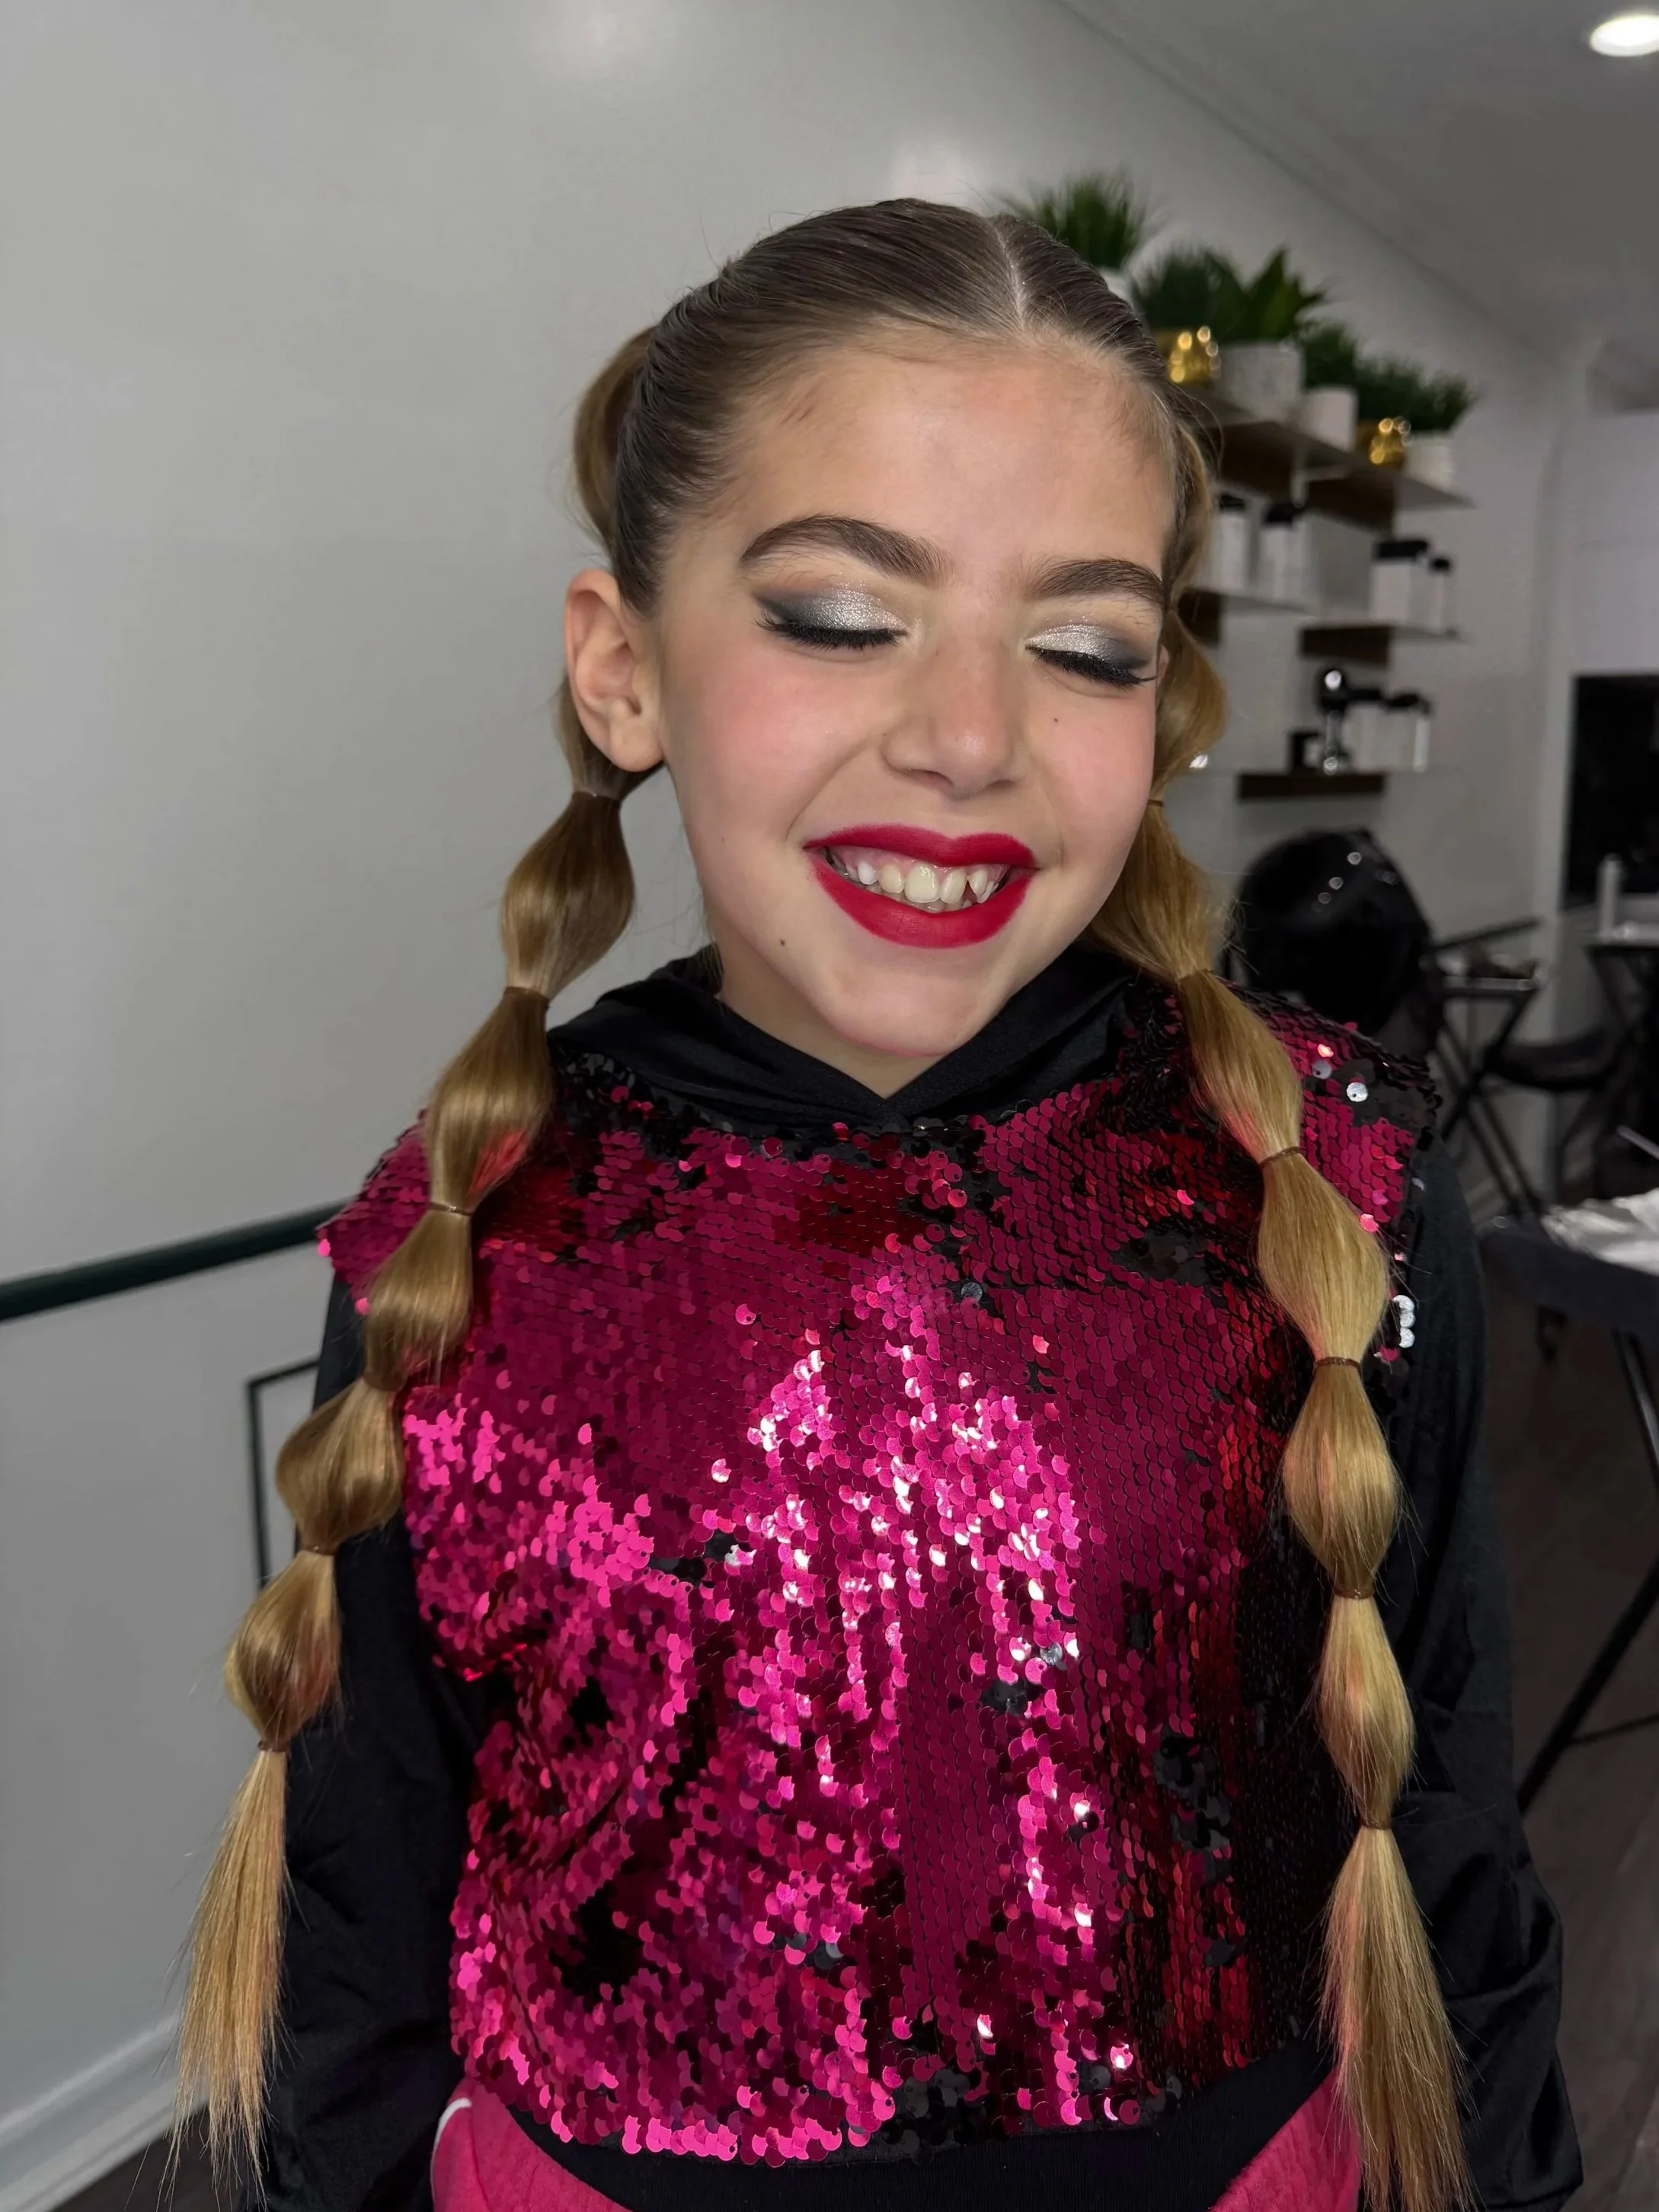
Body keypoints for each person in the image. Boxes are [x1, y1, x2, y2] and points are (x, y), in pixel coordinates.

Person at [178, 202, 1578, 2212]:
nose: (969, 739)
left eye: (1085, 648)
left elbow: (1445, 1834)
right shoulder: (467, 1230)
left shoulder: (1324, 1187)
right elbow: (357, 1905)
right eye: (841, 615)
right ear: (623, 671)